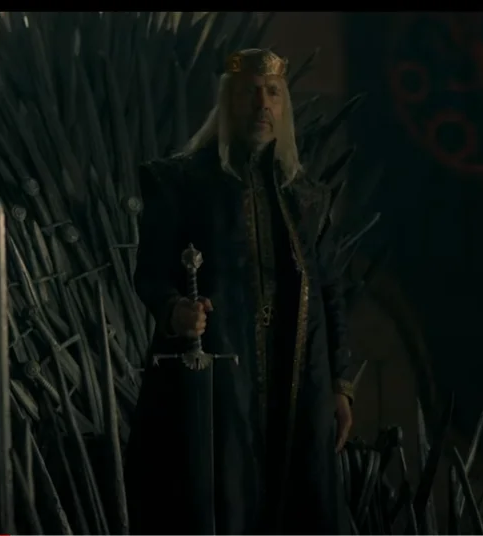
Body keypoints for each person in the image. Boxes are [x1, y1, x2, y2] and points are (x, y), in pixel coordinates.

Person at [126, 48, 356, 534]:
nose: (262, 104)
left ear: (284, 106)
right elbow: (150, 273)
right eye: (250, 93)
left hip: (299, 377)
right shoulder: (181, 182)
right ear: (228, 102)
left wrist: (340, 386)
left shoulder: (307, 197)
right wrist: (175, 310)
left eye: (272, 93)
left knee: (300, 505)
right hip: (220, 378)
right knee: (221, 503)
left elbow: (331, 289)